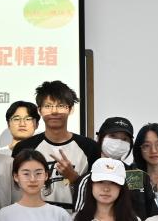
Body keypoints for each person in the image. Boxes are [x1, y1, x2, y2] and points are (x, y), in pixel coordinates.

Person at [11, 81, 99, 211]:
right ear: (39, 110)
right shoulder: (24, 147)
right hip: (34, 214)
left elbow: (98, 189)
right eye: (48, 106)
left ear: (70, 109)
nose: (54, 111)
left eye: (61, 106)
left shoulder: (90, 147)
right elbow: (16, 188)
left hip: (76, 215)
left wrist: (73, 177)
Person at [73, 117, 158, 219]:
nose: (118, 142)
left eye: (124, 139)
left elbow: (152, 214)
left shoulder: (138, 176)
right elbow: (80, 219)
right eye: (112, 136)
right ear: (99, 138)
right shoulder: (88, 178)